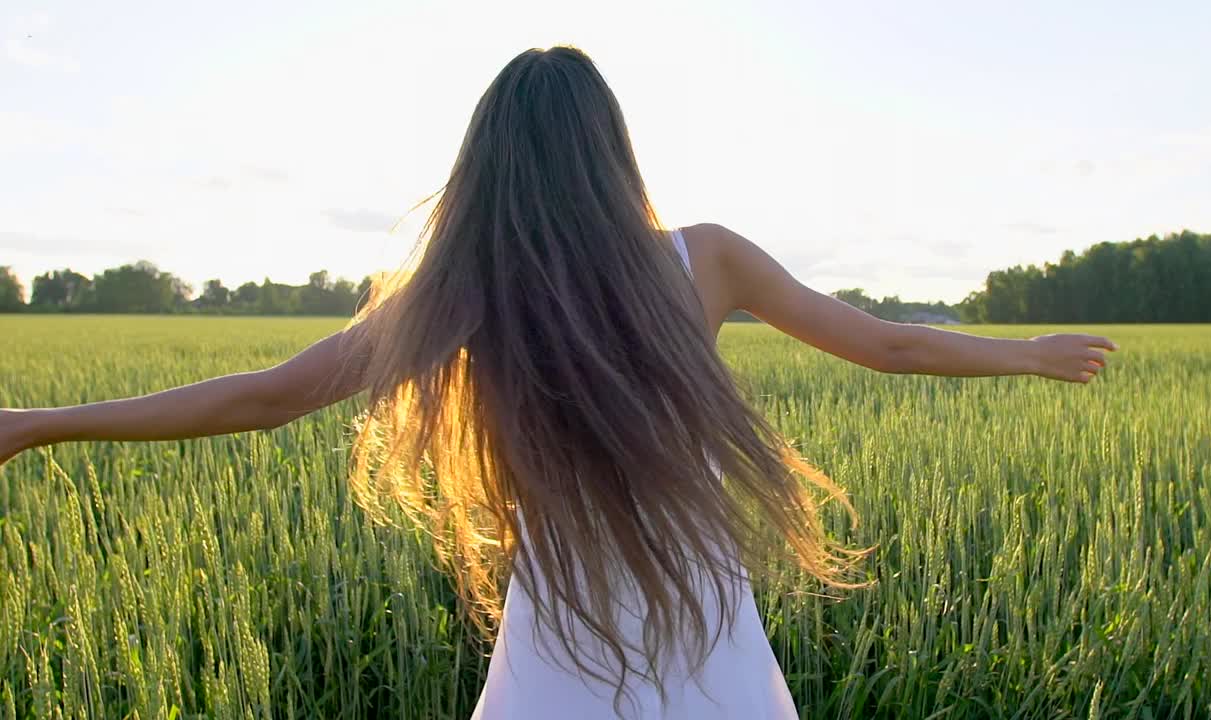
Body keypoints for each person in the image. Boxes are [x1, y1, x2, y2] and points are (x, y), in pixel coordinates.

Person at [0, 45, 1115, 720]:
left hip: (558, 626)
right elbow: (889, 342)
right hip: (700, 614)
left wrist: (38, 423)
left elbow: (265, 394)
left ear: (488, 162)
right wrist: (1026, 353)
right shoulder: (704, 257)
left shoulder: (461, 285)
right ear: (610, 150)